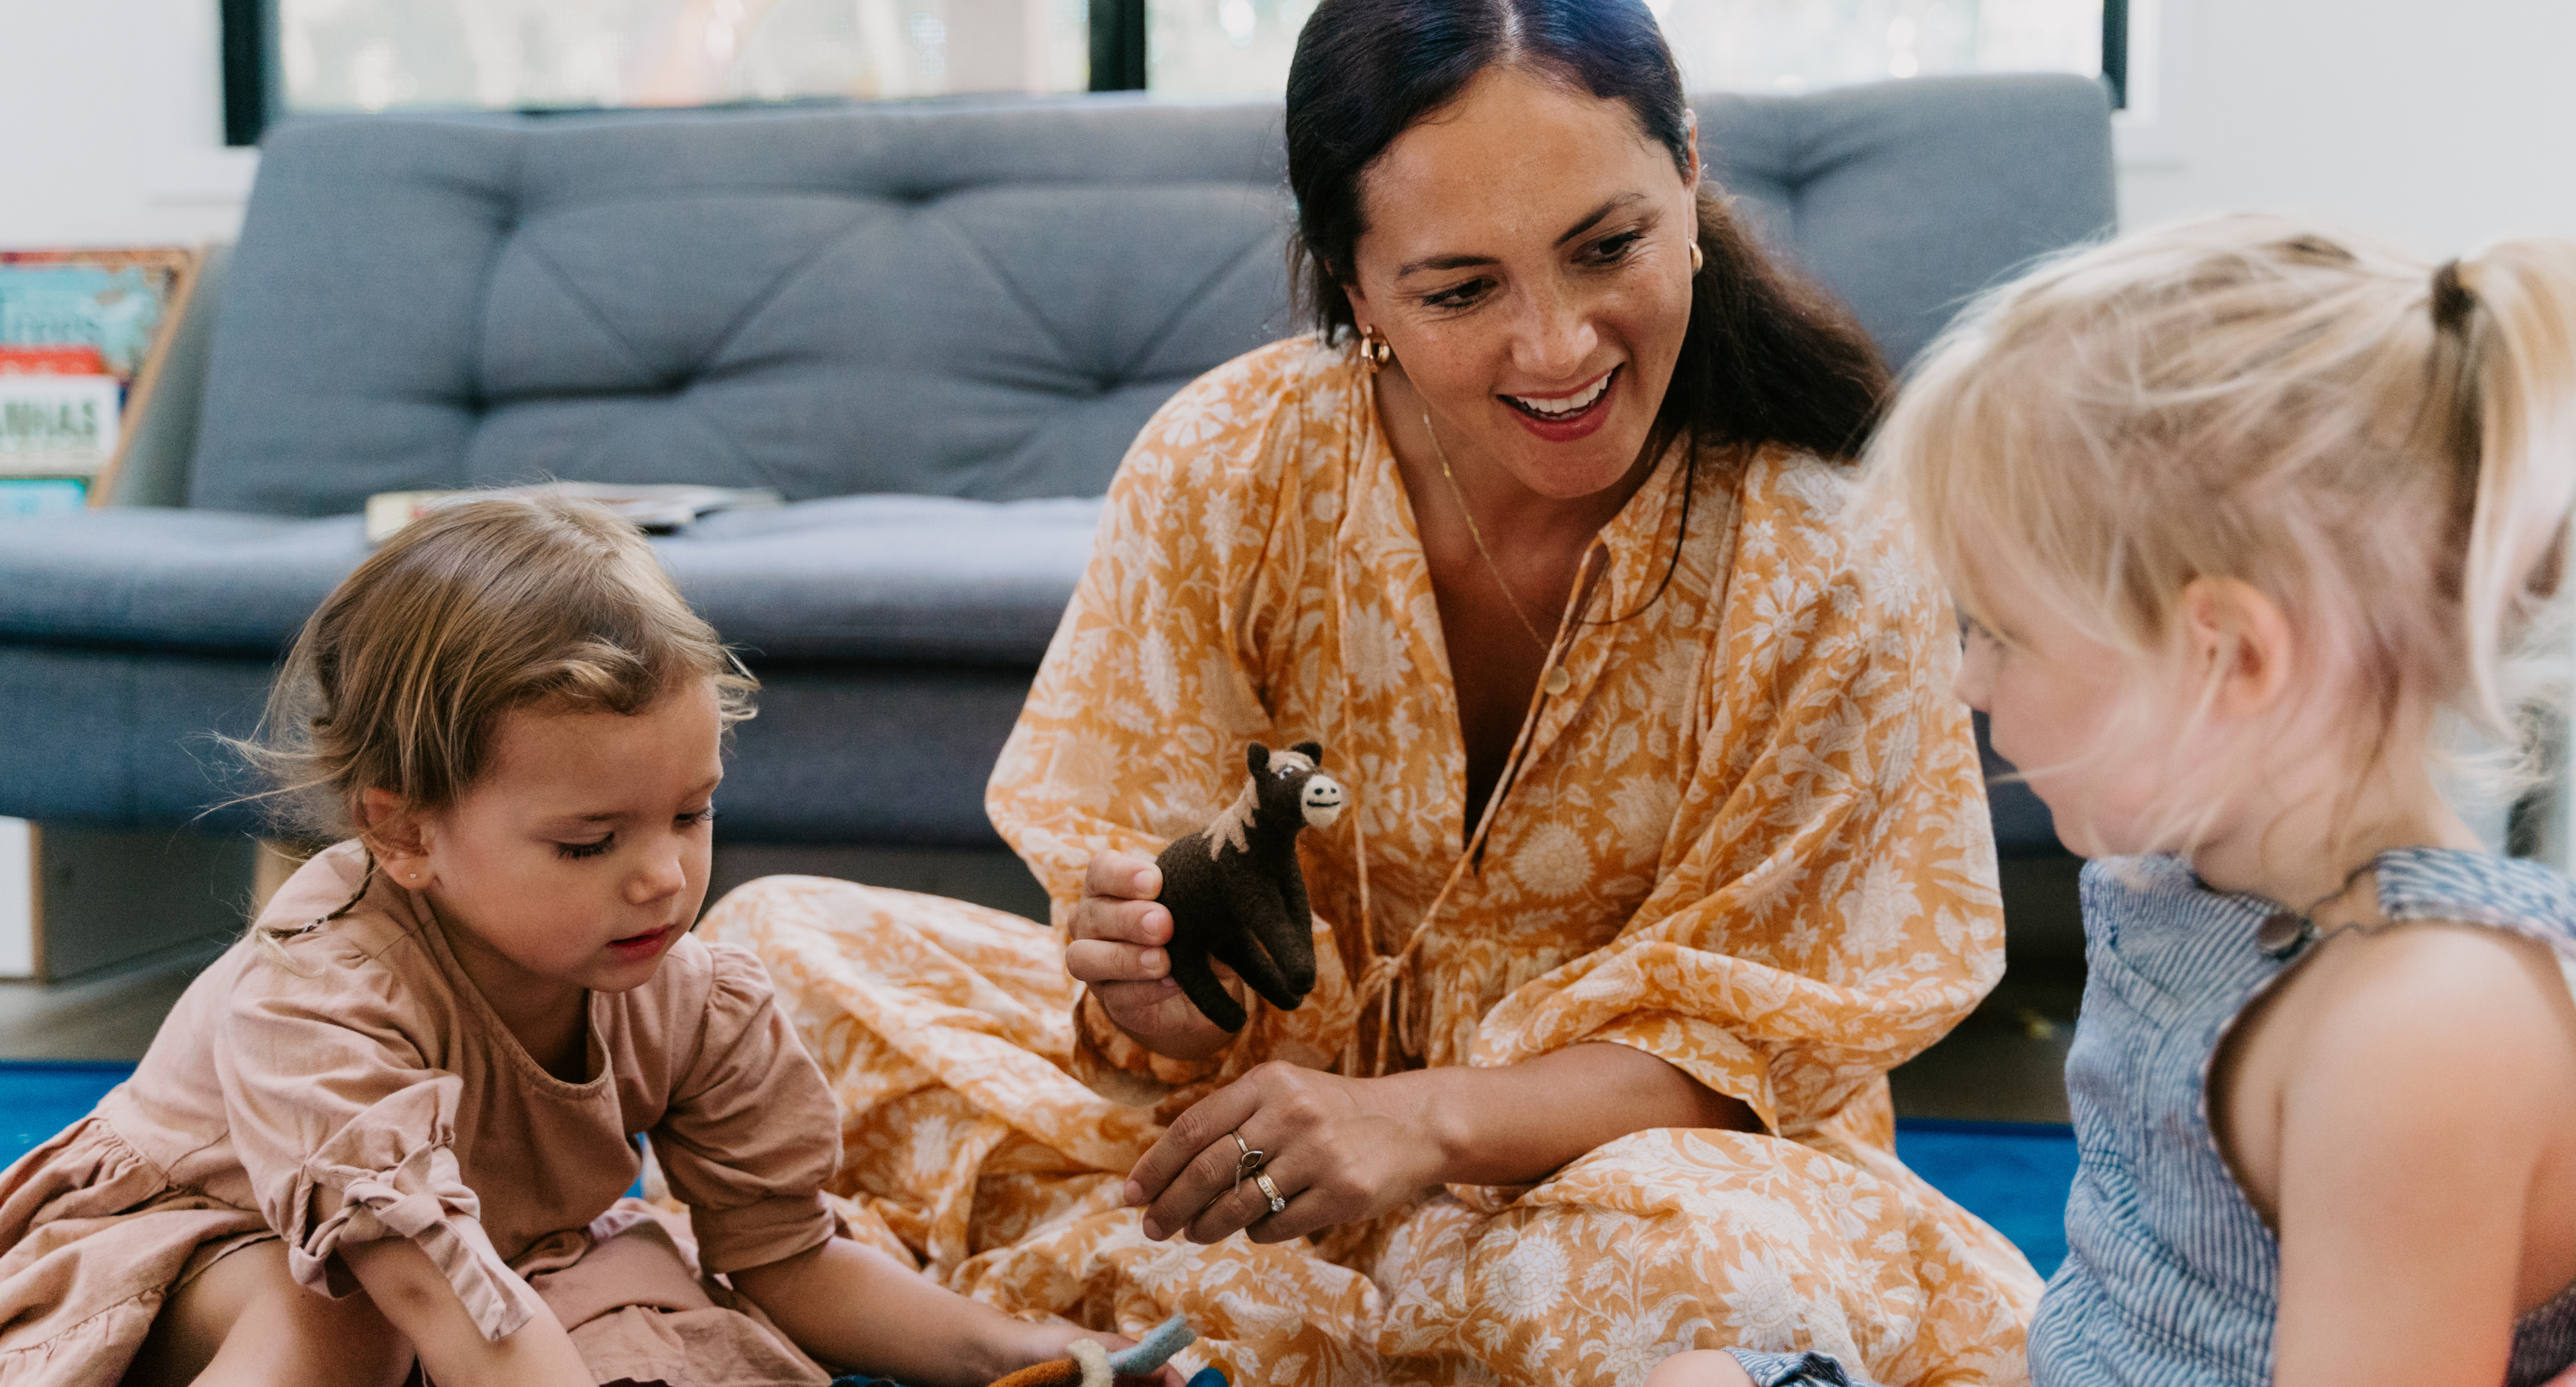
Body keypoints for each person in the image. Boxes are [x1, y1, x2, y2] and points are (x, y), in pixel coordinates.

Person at [698, 0, 2042, 1380]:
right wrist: (1164, 1000)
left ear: (1689, 174)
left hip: (1629, 1171)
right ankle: (1366, 1322)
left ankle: (1198, 1317)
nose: (1561, 347)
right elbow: (1255, 843)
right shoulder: (1229, 466)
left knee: (1707, 1273)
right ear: (1355, 287)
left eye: (1608, 247)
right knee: (767, 961)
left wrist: (1426, 1123)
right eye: (1463, 291)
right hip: (1275, 1128)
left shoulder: (1826, 548)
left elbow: (1769, 1049)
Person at [1660, 215, 2576, 1387]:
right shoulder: (2193, 882)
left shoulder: (2420, 1032)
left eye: (2001, 633)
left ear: (2227, 660)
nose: (1965, 678)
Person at [0, 497, 1176, 1387]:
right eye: (588, 843)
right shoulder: (318, 987)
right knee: (344, 1315)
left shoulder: (692, 994)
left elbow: (789, 1259)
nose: (664, 876)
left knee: (665, 1320)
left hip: (503, 1258)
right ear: (403, 832)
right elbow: (416, 1272)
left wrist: (1016, 1347)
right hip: (225, 1248)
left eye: (692, 812)